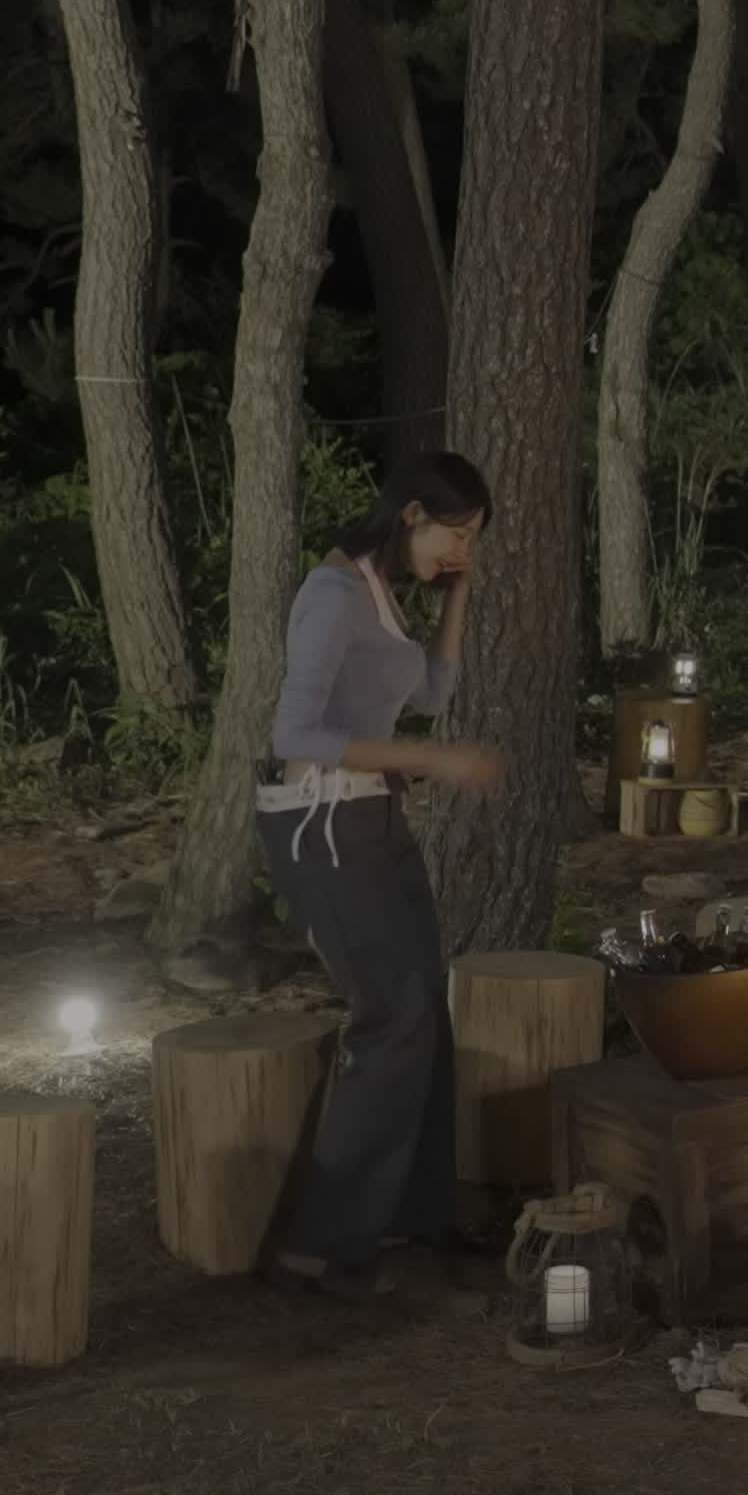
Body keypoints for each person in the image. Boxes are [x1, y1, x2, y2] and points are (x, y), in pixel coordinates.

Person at [260, 452, 506, 1298]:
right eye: (456, 534)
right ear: (410, 514)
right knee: (391, 1016)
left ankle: (410, 1212)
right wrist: (433, 760)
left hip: (373, 815)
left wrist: (458, 595)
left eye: (472, 539)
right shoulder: (331, 594)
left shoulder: (379, 591)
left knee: (422, 1006)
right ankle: (321, 1246)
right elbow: (294, 734)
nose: (462, 549)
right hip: (321, 822)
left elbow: (431, 694)